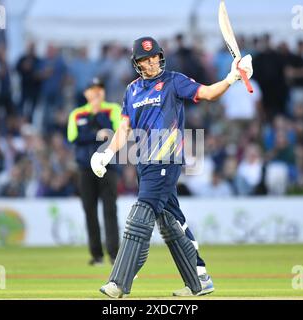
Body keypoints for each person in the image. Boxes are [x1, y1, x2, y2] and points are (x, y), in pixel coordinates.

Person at [90, 36, 253, 298]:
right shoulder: (131, 90)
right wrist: (107, 153)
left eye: (155, 56)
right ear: (137, 63)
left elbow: (208, 93)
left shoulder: (174, 81)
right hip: (144, 163)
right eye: (146, 59)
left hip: (166, 160)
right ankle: (199, 279)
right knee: (171, 222)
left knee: (140, 216)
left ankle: (119, 282)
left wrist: (232, 77)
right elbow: (124, 128)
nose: (152, 62)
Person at [67, 77, 122, 266]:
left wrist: (98, 115)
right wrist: (97, 133)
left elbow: (115, 133)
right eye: (92, 89)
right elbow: (74, 138)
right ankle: (96, 254)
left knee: (110, 209)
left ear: (103, 92)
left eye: (99, 89)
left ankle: (114, 254)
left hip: (109, 165)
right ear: (86, 93)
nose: (96, 93)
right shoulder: (77, 113)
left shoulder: (113, 109)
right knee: (89, 210)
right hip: (85, 167)